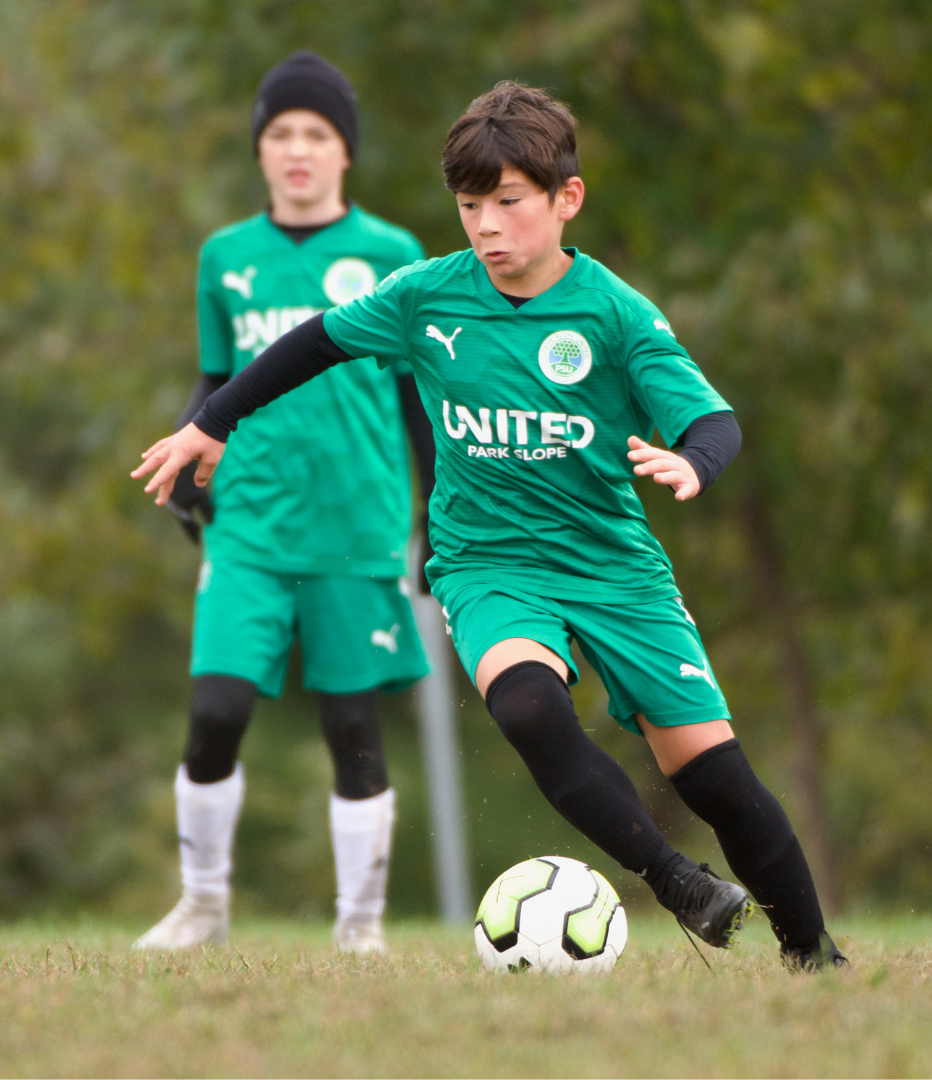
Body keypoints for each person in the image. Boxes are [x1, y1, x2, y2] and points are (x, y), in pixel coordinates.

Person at [134, 81, 846, 970]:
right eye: (471, 206)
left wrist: (691, 463)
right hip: (487, 564)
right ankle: (676, 882)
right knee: (530, 707)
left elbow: (713, 421)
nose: (486, 226)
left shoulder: (615, 314)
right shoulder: (427, 297)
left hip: (616, 568)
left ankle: (813, 957)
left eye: (509, 202)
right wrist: (212, 422)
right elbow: (312, 342)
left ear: (565, 199)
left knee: (719, 782)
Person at [133, 52, 434, 955]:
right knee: (217, 712)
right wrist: (187, 466)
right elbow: (216, 380)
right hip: (250, 527)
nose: (297, 151)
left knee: (353, 728)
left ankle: (360, 929)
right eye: (280, 135)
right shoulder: (224, 258)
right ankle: (204, 904)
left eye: (316, 134)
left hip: (360, 527)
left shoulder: (392, 256)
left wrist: (439, 512)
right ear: (260, 152)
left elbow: (418, 399)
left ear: (345, 153)